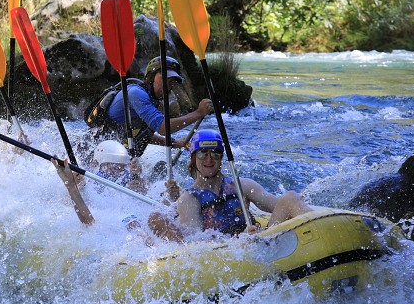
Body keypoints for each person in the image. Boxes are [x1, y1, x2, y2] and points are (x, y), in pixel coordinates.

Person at [148, 129, 313, 241]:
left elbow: (280, 207)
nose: (209, 159)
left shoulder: (242, 185)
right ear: (193, 157)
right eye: (202, 153)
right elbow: (195, 244)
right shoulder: (189, 199)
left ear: (221, 158)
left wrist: (256, 234)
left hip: (260, 242)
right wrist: (241, 240)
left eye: (215, 153)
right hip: (227, 255)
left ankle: (322, 231)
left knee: (291, 198)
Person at [102, 56, 214, 156]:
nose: (168, 85)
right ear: (151, 77)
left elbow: (143, 134)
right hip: (99, 151)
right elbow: (163, 128)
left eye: (171, 82)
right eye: (164, 79)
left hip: (112, 152)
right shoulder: (136, 93)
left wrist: (173, 142)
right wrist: (198, 113)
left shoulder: (150, 99)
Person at [51, 140, 148, 225]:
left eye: (122, 168)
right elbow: (90, 224)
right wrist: (72, 184)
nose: (118, 173)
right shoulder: (85, 182)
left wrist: (139, 179)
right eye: (114, 168)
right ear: (96, 164)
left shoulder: (128, 178)